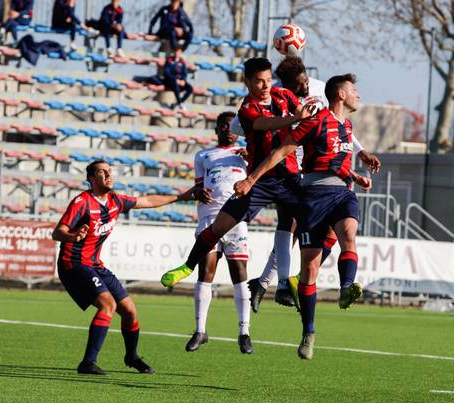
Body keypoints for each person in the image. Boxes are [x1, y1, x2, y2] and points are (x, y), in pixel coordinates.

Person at [233, 73, 372, 361]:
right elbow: (282, 151)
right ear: (340, 95)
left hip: (342, 194)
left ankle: (347, 288)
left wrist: (355, 176)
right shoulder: (315, 121)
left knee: (349, 234)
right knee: (309, 270)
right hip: (313, 197)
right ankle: (308, 332)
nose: (359, 95)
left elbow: (337, 163)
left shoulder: (347, 126)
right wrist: (252, 179)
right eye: (354, 90)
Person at [160, 57, 313, 289]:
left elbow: (304, 113)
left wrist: (306, 113)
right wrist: (295, 118)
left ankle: (294, 280)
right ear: (248, 82)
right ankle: (188, 265)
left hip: (289, 177)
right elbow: (264, 124)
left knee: (318, 223)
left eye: (269, 80)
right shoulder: (247, 109)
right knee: (220, 225)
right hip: (258, 181)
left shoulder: (283, 96)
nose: (265, 87)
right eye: (259, 82)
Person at [243, 57, 381, 313]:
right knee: (292, 224)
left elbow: (339, 131)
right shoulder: (276, 100)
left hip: (322, 169)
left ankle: (274, 282)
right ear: (286, 86)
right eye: (298, 84)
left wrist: (358, 157)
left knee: (328, 231)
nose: (304, 87)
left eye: (305, 81)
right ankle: (280, 283)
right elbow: (247, 128)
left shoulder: (317, 92)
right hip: (295, 171)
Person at [53, 160, 196, 375]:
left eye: (110, 171)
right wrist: (73, 236)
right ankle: (88, 362)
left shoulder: (115, 201)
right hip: (73, 263)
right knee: (107, 304)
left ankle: (132, 357)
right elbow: (57, 233)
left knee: (129, 310)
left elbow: (147, 200)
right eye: (103, 172)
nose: (109, 175)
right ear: (91, 178)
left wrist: (180, 197)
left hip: (94, 265)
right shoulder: (81, 202)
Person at [186, 111, 253, 354]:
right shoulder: (203, 155)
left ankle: (244, 332)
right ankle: (200, 330)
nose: (228, 129)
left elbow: (258, 178)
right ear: (216, 130)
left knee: (239, 272)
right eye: (223, 126)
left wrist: (253, 158)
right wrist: (197, 192)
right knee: (206, 272)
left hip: (236, 218)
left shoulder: (246, 154)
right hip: (209, 217)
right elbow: (197, 185)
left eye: (231, 126)